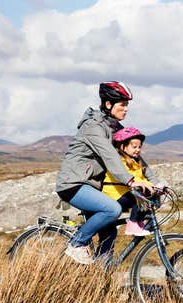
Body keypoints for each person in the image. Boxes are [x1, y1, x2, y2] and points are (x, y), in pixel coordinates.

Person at [55, 81, 154, 265]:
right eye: (122, 105)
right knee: (112, 209)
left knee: (109, 232)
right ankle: (76, 244)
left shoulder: (116, 129)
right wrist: (130, 181)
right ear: (108, 104)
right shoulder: (93, 127)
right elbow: (110, 157)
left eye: (127, 105)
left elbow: (134, 157)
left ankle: (100, 278)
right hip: (73, 184)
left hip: (91, 186)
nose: (126, 109)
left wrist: (155, 182)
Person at [103, 126, 164, 237]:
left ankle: (139, 222)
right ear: (123, 147)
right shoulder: (120, 161)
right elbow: (133, 178)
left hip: (125, 192)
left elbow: (143, 178)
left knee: (152, 199)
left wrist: (157, 186)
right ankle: (132, 224)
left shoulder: (136, 162)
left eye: (139, 147)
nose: (138, 149)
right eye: (134, 146)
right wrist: (148, 186)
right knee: (141, 199)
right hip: (114, 193)